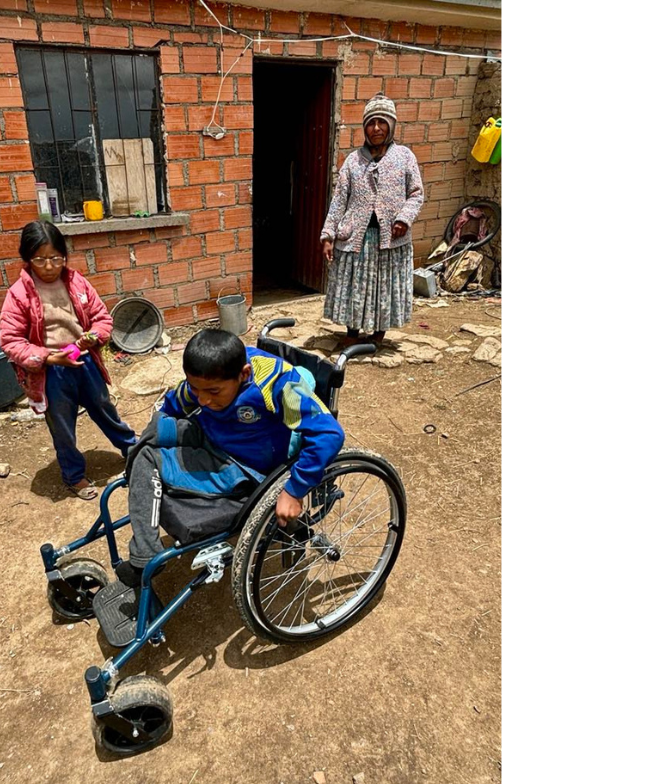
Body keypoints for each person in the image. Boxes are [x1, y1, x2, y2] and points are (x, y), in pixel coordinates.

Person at [114, 329, 345, 589]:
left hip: (243, 465)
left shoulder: (276, 383)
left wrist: (294, 489)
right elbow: (180, 399)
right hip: (209, 431)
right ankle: (143, 483)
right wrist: (166, 418)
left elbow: (329, 433)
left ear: (244, 374)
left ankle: (144, 558)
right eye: (195, 388)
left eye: (213, 391)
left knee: (146, 459)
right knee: (150, 437)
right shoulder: (210, 371)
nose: (202, 398)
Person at [0, 220, 137, 500]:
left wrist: (94, 336)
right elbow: (10, 341)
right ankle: (74, 476)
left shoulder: (77, 282)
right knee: (62, 425)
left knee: (103, 407)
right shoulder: (19, 294)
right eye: (40, 259)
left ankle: (134, 450)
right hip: (50, 372)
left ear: (64, 256)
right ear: (27, 259)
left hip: (85, 362)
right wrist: (48, 357)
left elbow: (102, 318)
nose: (49, 266)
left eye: (56, 258)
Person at [319, 92, 425, 348]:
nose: (376, 128)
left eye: (382, 122)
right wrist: (328, 234)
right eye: (371, 123)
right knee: (355, 287)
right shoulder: (353, 161)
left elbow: (416, 193)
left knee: (384, 288)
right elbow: (339, 199)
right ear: (364, 127)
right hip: (357, 238)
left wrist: (404, 218)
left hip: (391, 239)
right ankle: (352, 332)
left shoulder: (404, 157)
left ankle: (378, 333)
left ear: (391, 125)